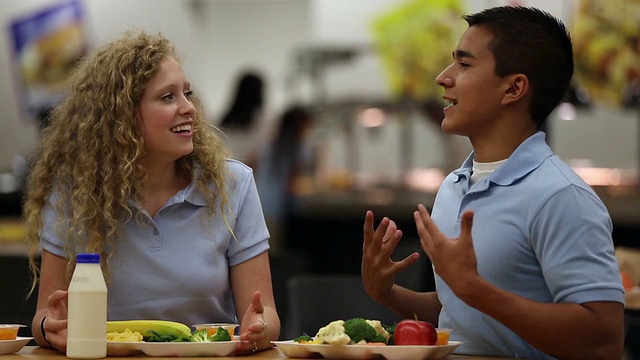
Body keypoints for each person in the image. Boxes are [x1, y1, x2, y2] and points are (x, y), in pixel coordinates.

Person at [361, 6, 625, 359]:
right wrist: (388, 294)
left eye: (464, 65)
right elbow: (461, 316)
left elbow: (604, 341)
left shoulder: (561, 196)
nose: (442, 77)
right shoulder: (455, 185)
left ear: (514, 88)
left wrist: (475, 289)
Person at [23, 30, 280, 355]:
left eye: (187, 93)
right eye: (167, 97)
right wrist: (51, 327)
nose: (189, 108)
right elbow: (44, 318)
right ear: (122, 117)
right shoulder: (74, 192)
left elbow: (265, 315)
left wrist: (259, 329)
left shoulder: (233, 184)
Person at [255, 105, 316, 249]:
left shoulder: (270, 144)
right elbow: (292, 184)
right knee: (276, 253)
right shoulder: (297, 148)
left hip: (259, 203)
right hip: (277, 210)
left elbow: (253, 165)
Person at [218, 71, 269, 168]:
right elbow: (259, 153)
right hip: (248, 170)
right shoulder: (263, 118)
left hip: (226, 167)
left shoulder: (227, 119)